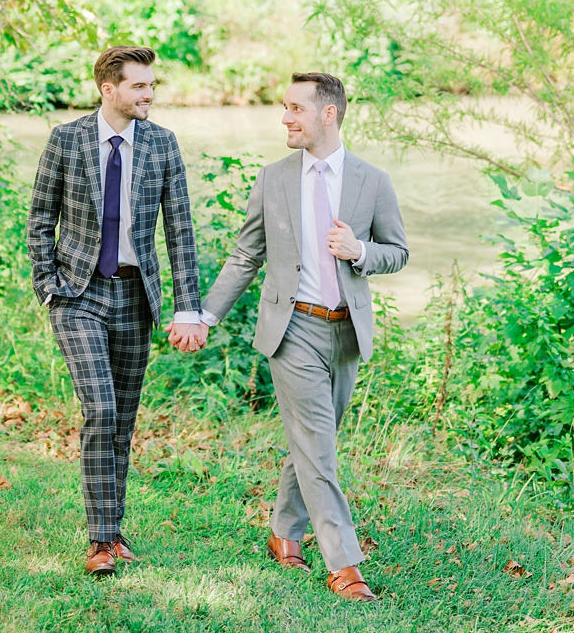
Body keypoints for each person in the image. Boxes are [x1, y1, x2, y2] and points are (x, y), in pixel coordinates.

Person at [171, 71, 407, 603]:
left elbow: (398, 251)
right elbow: (245, 255)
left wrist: (361, 252)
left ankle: (283, 532)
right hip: (292, 327)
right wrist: (204, 317)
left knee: (310, 443)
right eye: (284, 107)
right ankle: (344, 564)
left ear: (329, 114)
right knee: (319, 449)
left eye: (295, 108)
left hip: (347, 332)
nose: (285, 117)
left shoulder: (373, 181)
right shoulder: (273, 178)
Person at [27, 45, 203, 577]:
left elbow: (180, 230)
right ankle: (101, 540)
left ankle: (111, 534)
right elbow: (39, 218)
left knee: (121, 420)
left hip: (135, 297)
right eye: (139, 86)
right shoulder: (67, 140)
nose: (149, 94)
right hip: (77, 293)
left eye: (152, 86)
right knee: (101, 408)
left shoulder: (162, 145)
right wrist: (48, 286)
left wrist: (188, 306)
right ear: (110, 89)